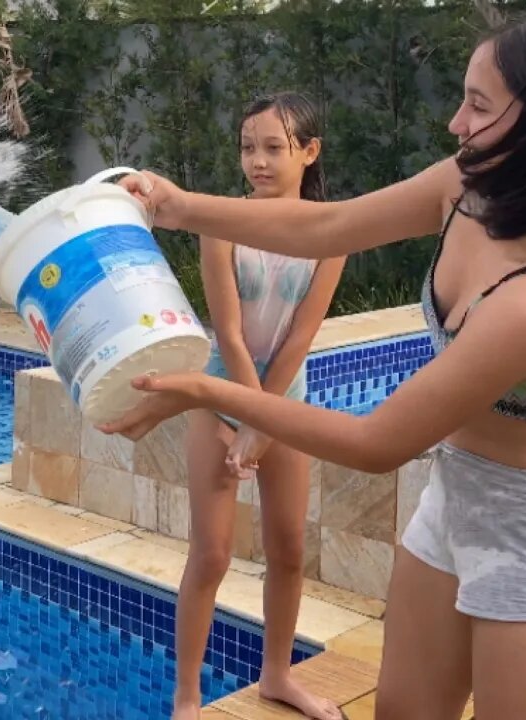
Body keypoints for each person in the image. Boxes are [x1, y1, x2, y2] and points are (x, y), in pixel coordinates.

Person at [101, 12, 526, 720]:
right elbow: (331, 225)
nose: (456, 121)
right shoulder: (472, 184)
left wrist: (203, 390)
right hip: (456, 494)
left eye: (480, 105)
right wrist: (181, 208)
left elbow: (377, 445)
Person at [172, 92, 346, 720]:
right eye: (249, 148)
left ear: (309, 152)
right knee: (212, 553)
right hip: (223, 401)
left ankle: (278, 677)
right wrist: (247, 419)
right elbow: (229, 334)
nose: (259, 161)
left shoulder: (331, 233)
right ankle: (187, 697)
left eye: (274, 147)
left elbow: (299, 338)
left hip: (284, 405)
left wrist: (268, 421)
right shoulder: (223, 221)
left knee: (289, 550)